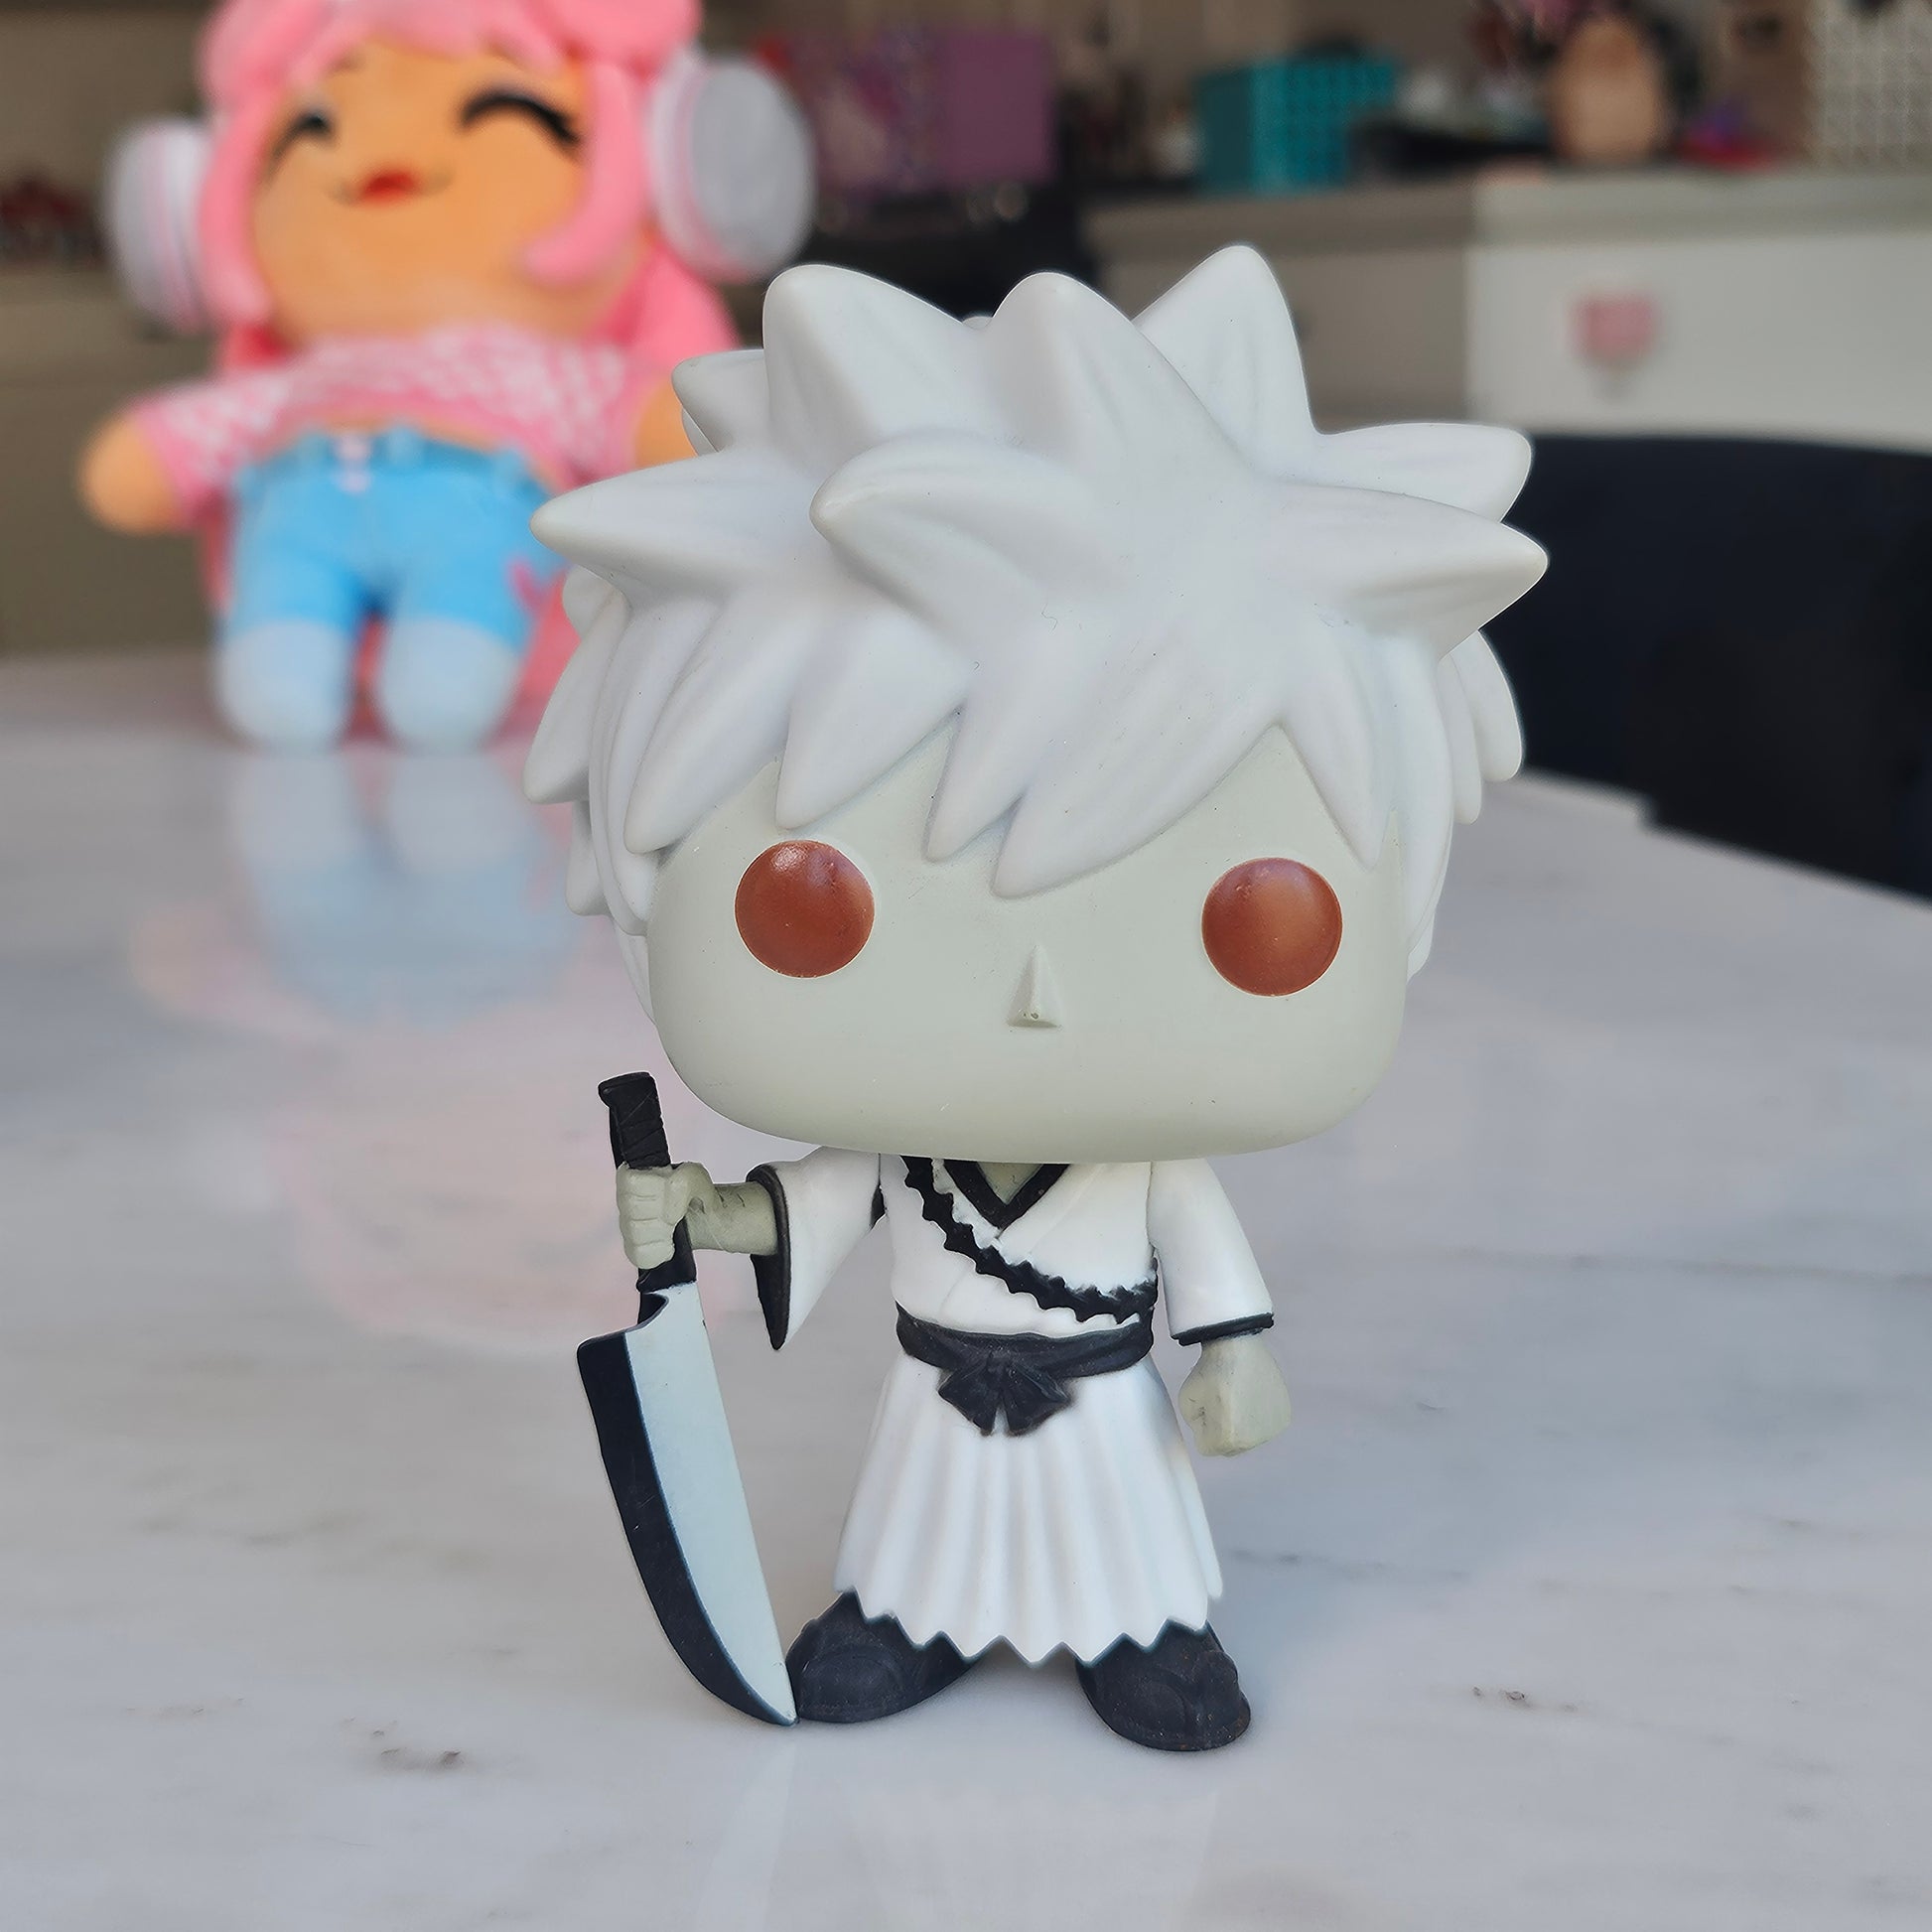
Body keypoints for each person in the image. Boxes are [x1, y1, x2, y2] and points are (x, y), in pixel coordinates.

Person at [524, 247, 1546, 1748]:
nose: (1036, 991)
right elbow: (818, 1205)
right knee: (920, 1537)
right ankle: (902, 1621)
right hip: (936, 1403)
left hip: (1104, 1401)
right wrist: (699, 1211)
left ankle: (1144, 1637)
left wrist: (1233, 1353)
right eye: (812, 905)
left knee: (1117, 1538)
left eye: (1253, 918)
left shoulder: (1144, 1163)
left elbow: (1205, 1265)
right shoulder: (907, 1150)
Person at [78, 0, 739, 753]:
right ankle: (289, 673)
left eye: (501, 111)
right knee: (281, 674)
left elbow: (650, 418)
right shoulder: (304, 379)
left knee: (445, 677)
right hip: (301, 501)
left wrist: (687, 428)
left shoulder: (535, 369)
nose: (382, 157)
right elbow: (170, 452)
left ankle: (435, 672)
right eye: (311, 127)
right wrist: (150, 459)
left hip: (474, 516)